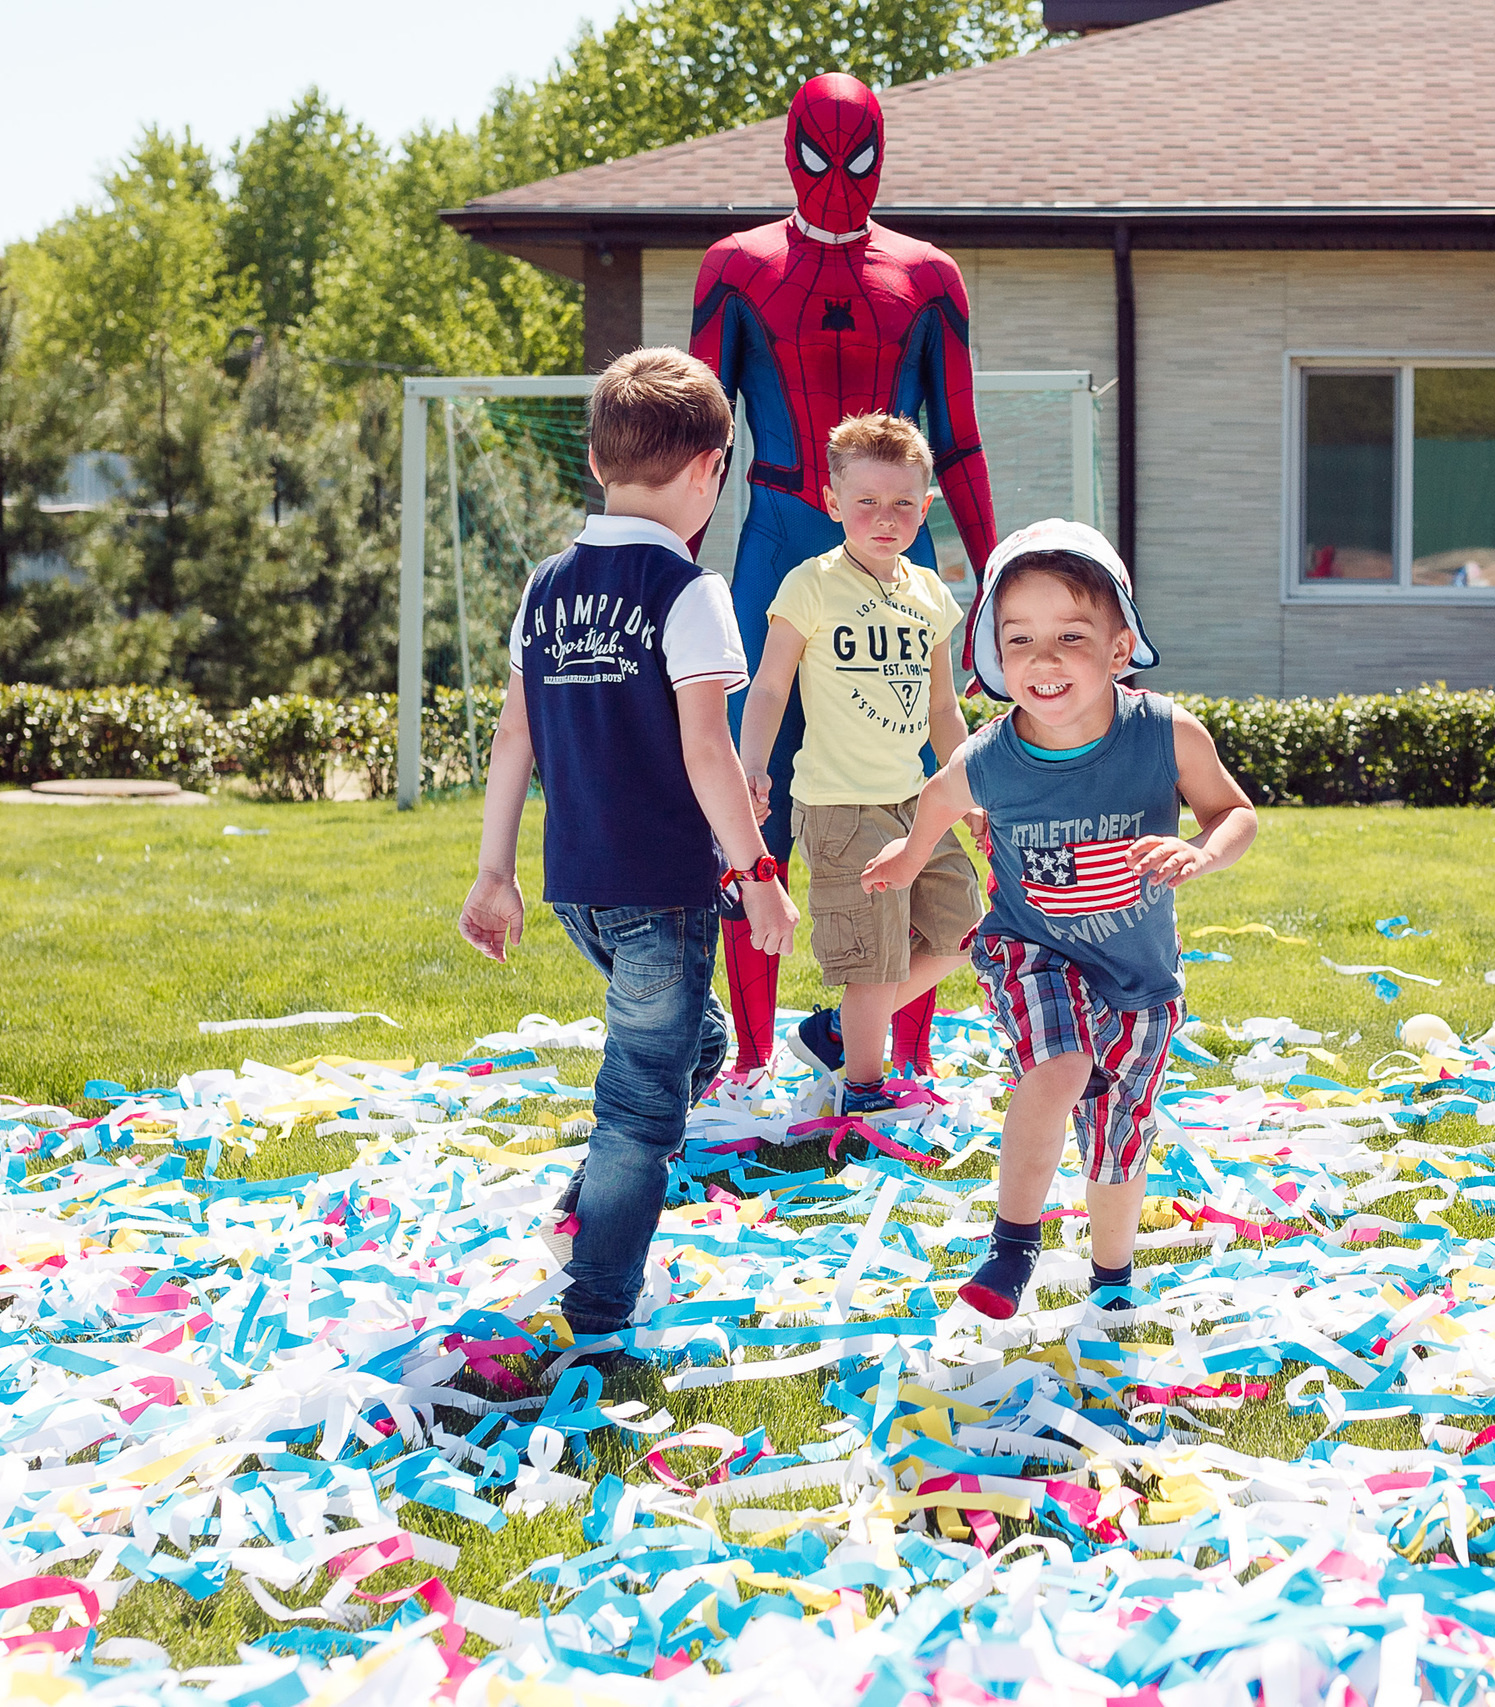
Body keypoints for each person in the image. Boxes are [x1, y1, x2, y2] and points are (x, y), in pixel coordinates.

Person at [458, 347, 798, 1363]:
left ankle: (586, 1201)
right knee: (642, 1107)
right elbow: (706, 748)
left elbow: (512, 734)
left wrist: (495, 869)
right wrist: (757, 875)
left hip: (579, 889)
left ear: (599, 462)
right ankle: (600, 1305)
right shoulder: (687, 590)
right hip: (663, 890)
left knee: (689, 1049)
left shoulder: (545, 585)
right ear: (711, 469)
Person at [859, 520, 1258, 1320]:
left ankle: (1112, 1278)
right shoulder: (991, 755)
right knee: (1060, 1067)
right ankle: (1013, 1246)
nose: (1043, 659)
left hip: (1142, 980)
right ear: (996, 660)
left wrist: (1203, 852)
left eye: (1070, 636)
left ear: (1119, 649)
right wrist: (910, 854)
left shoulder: (1165, 733)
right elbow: (939, 797)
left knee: (1118, 1148)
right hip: (1031, 950)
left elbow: (1234, 811)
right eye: (1021, 640)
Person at [693, 73, 1001, 1089]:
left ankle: (892, 1048)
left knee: (914, 784)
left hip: (889, 552)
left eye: (856, 159)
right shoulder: (737, 268)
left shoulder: (928, 278)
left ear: (883, 154)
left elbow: (953, 442)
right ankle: (746, 1054)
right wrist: (673, 575)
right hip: (778, 540)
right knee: (750, 790)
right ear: (788, 150)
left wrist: (992, 576)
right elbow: (703, 439)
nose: (837, 181)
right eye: (819, 159)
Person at [736, 414, 983, 1117]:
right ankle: (865, 1093)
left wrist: (968, 791)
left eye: (904, 502)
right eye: (867, 501)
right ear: (831, 498)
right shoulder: (810, 584)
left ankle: (838, 1029)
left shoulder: (931, 594)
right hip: (842, 807)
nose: (886, 517)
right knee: (873, 958)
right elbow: (771, 687)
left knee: (966, 928)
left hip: (916, 804)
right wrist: (753, 766)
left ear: (925, 505)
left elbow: (942, 711)